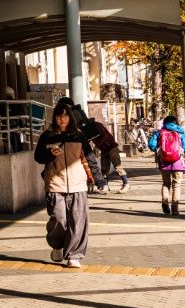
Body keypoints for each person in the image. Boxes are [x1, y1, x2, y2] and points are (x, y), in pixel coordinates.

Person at [34, 101, 91, 269]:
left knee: (78, 221)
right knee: (59, 219)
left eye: (65, 115)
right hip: (55, 184)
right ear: (55, 117)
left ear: (70, 117)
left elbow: (89, 157)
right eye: (59, 115)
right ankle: (57, 244)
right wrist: (50, 154)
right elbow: (38, 158)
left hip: (78, 184)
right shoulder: (48, 136)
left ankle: (74, 255)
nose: (62, 118)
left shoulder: (79, 135)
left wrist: (98, 179)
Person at [147, 115, 185, 216]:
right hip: (177, 162)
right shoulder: (179, 132)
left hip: (164, 161)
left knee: (166, 183)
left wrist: (157, 149)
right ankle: (175, 208)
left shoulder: (159, 132)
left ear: (165, 122)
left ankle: (165, 201)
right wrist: (182, 150)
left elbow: (151, 144)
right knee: (177, 185)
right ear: (176, 122)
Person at [91, 118, 130, 193]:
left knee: (117, 166)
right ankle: (105, 186)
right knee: (104, 168)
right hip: (104, 149)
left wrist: (97, 146)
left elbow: (104, 136)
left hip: (111, 147)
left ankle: (126, 184)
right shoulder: (94, 126)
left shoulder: (97, 126)